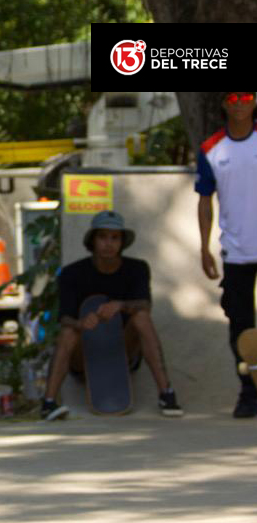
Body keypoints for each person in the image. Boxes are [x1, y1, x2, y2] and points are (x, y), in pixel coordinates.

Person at [41, 211, 182, 420]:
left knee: (141, 317)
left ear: (122, 242)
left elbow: (145, 304)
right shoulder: (72, 273)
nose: (109, 244)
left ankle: (167, 395)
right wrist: (81, 323)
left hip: (123, 351)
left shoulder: (137, 268)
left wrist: (121, 305)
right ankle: (48, 403)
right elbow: (64, 318)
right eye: (103, 237)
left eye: (115, 238)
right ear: (93, 240)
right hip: (84, 356)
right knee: (68, 331)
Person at [197, 91, 257, 419]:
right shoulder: (211, 149)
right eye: (232, 96)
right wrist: (204, 247)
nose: (239, 102)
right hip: (236, 255)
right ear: (224, 104)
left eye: (246, 95)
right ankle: (248, 391)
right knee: (241, 328)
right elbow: (204, 200)